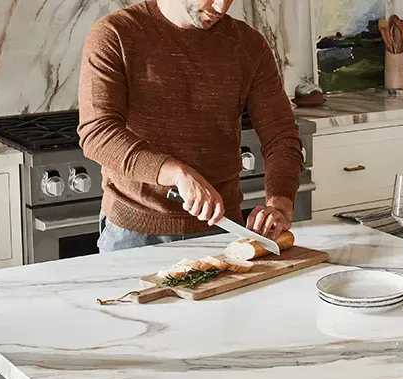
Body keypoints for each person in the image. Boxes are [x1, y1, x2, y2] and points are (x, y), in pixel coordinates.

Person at [78, 0, 303, 252]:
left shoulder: (248, 45)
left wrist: (280, 203)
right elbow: (97, 133)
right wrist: (176, 173)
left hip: (223, 229)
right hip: (133, 234)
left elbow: (281, 136)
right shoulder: (115, 34)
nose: (221, 7)